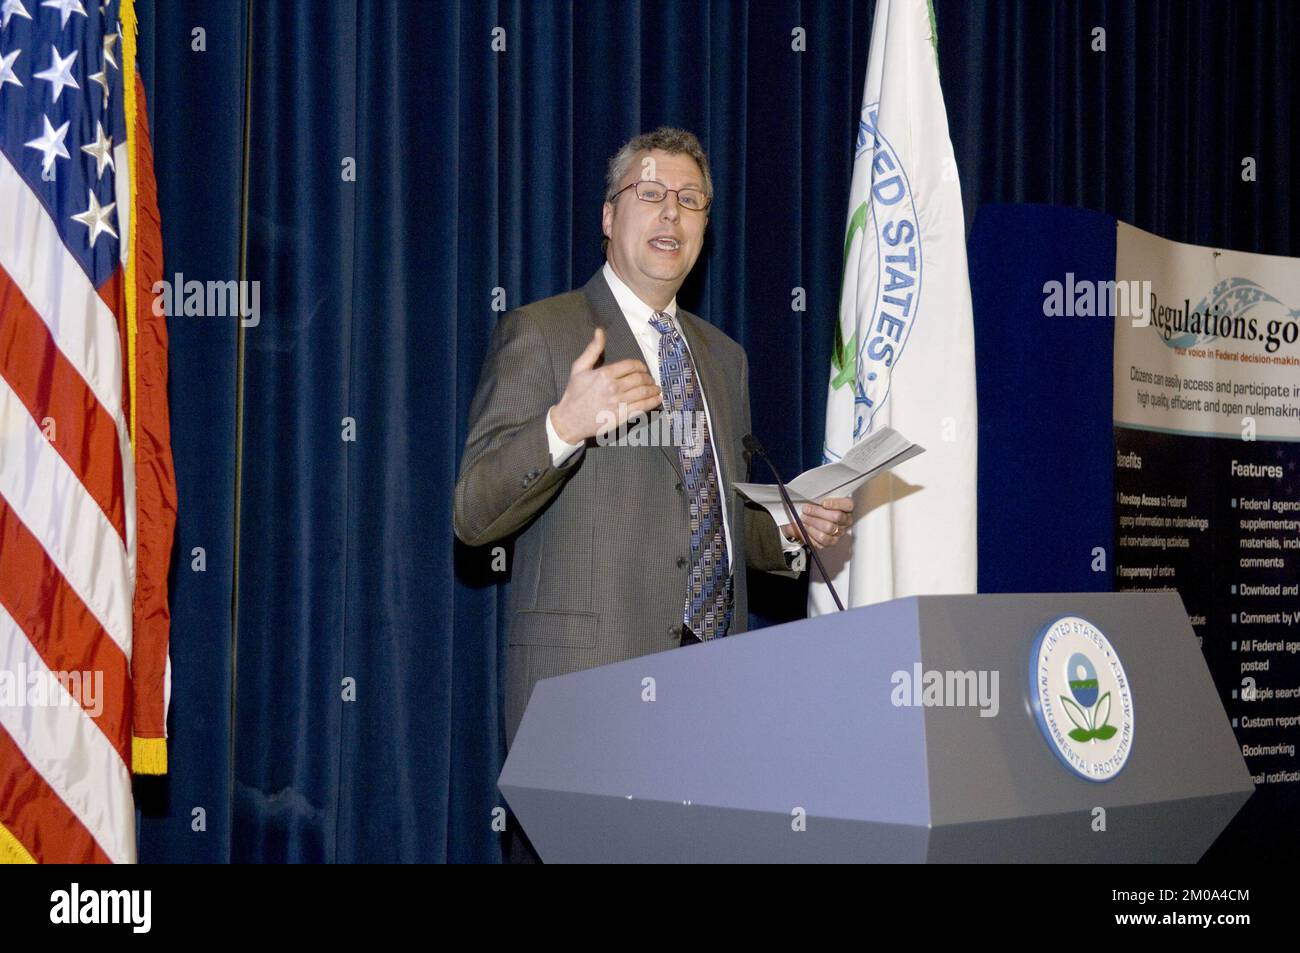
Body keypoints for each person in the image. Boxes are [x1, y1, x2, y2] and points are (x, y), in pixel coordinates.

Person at [453, 127, 853, 861]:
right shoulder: (544, 332)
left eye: (690, 200)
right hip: (586, 707)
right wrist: (562, 426)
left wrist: (792, 525)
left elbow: (712, 517)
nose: (671, 214)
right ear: (610, 216)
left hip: (713, 712)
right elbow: (473, 514)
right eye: (650, 194)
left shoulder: (722, 357)